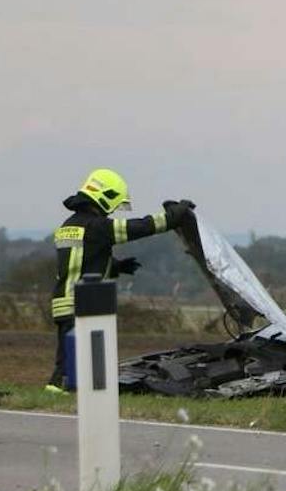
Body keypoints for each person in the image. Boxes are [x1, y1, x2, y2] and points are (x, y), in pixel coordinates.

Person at [46, 168, 193, 393]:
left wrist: (114, 266)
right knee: (69, 367)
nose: (114, 210)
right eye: (115, 204)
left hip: (65, 300)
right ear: (106, 196)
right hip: (81, 302)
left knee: (68, 360)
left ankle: (63, 393)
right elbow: (140, 227)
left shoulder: (69, 226)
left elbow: (80, 260)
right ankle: (58, 396)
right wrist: (173, 217)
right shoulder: (97, 226)